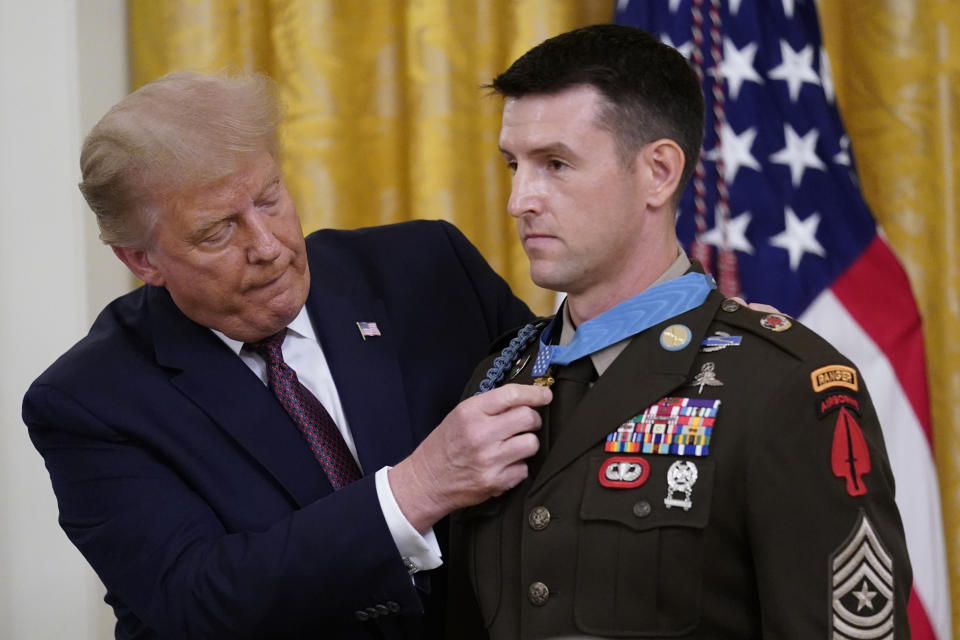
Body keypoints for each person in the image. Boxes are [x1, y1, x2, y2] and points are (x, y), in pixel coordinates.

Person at [22, 71, 554, 639]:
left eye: (270, 199)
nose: (269, 247)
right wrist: (414, 492)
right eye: (217, 232)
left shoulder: (428, 267)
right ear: (142, 261)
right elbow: (194, 601)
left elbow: (569, 432)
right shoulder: (90, 399)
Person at [448, 24, 912, 639]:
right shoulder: (497, 379)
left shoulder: (784, 388)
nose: (518, 200)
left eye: (555, 164)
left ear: (659, 172)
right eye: (514, 165)